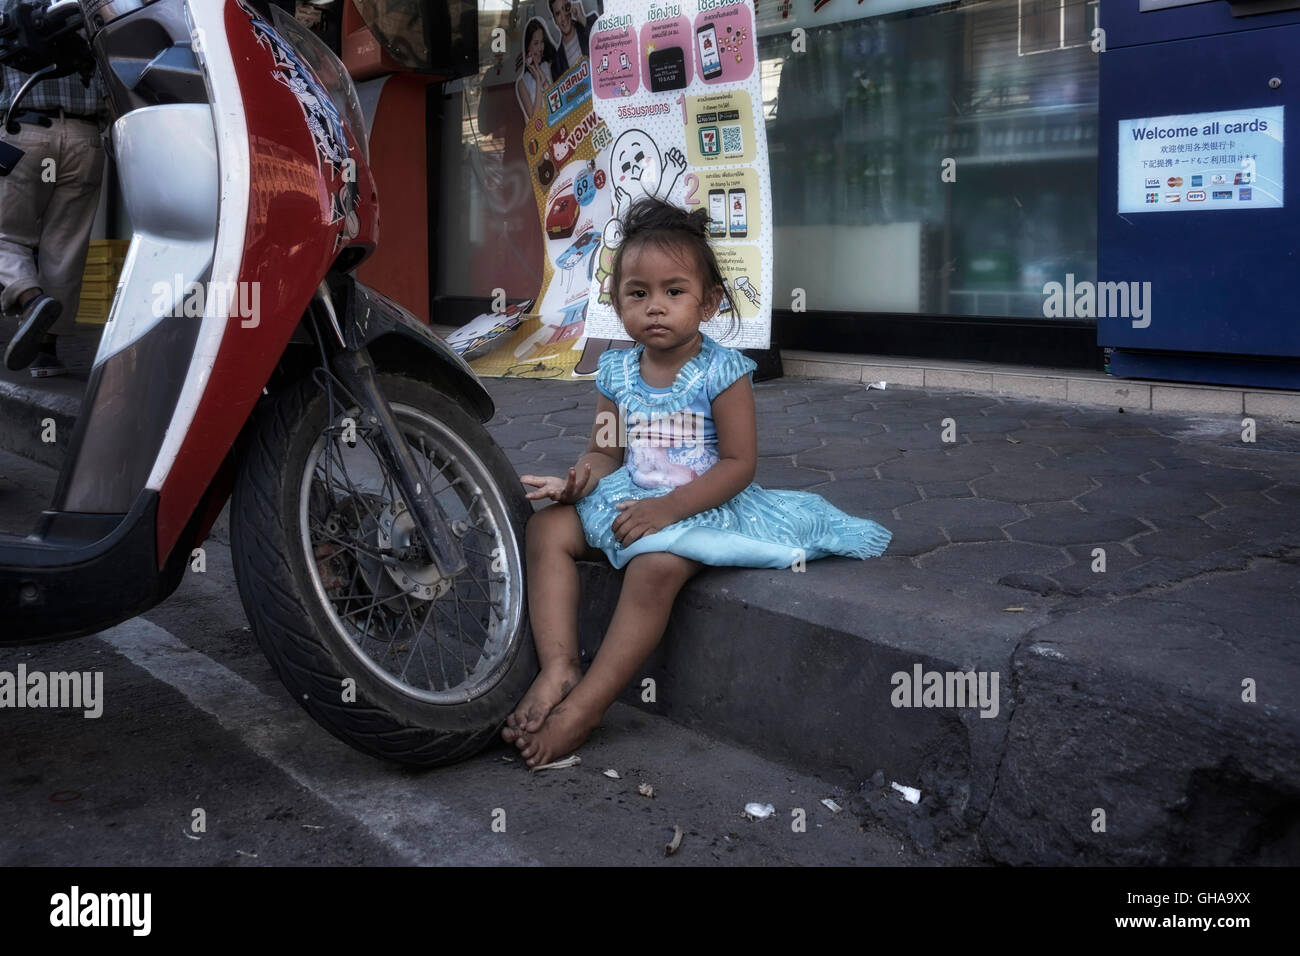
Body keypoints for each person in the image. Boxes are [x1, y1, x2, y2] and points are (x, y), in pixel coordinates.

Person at [503, 198, 892, 767]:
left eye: (674, 292)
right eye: (638, 293)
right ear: (617, 304)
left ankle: (586, 708)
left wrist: (669, 510)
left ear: (708, 302)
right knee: (547, 530)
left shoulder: (722, 371)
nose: (655, 308)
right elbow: (605, 450)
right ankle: (559, 665)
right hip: (632, 497)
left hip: (701, 506)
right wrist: (579, 483)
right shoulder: (615, 371)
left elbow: (739, 465)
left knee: (654, 569)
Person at [0, 63, 109, 377]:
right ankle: (46, 354)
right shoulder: (82, 13)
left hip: (24, 133)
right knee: (63, 249)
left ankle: (30, 300)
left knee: (7, 235)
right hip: (84, 137)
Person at [515, 17, 555, 121]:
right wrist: (537, 79)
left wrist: (540, 72)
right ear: (528, 47)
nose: (540, 48)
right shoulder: (522, 83)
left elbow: (555, 103)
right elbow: (535, 120)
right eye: (536, 43)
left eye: (542, 42)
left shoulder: (547, 66)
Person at [547, 0, 598, 82]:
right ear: (554, 20)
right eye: (558, 14)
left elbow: (604, 45)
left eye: (565, 9)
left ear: (570, 7)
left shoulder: (589, 25)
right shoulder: (556, 65)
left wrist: (582, 19)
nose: (563, 18)